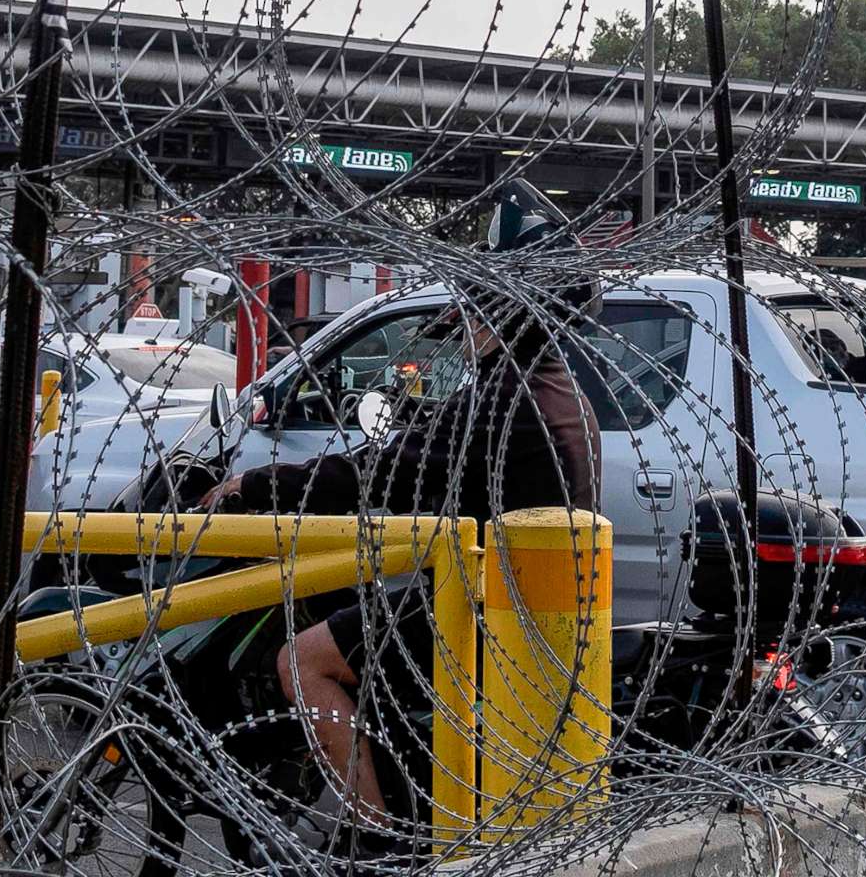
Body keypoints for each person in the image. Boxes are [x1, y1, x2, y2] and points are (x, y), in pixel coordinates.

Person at [212, 286, 601, 830]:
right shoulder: (562, 393)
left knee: (302, 661)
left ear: (497, 323)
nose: (465, 335)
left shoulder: (500, 398)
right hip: (527, 603)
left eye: (471, 319)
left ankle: (369, 835)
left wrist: (254, 484)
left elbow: (386, 470)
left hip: (480, 606)